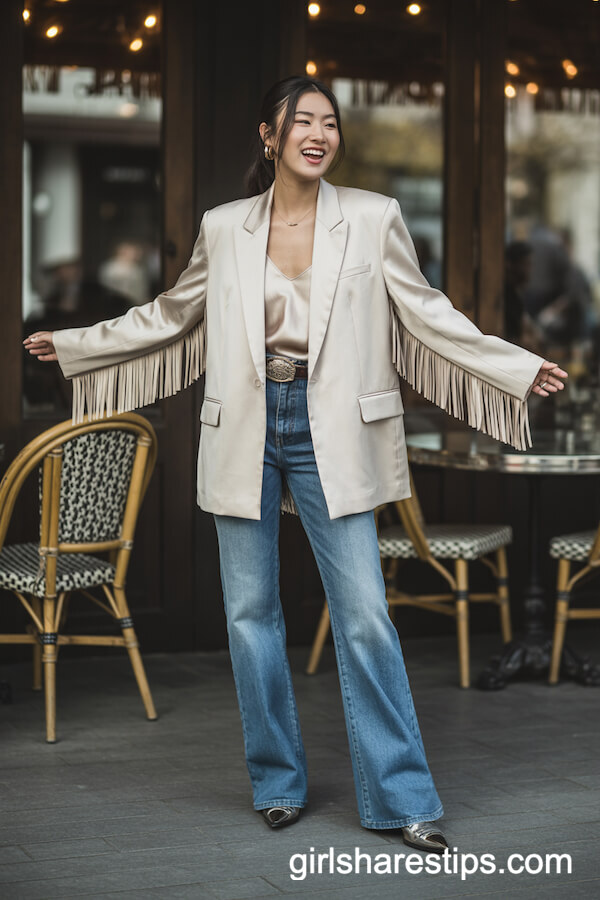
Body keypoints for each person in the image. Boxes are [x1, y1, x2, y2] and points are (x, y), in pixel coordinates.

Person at [24, 75, 566, 852]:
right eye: (303, 121)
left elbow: (427, 311)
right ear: (269, 136)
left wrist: (512, 367)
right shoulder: (225, 226)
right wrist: (76, 344)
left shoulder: (374, 218)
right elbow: (171, 315)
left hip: (334, 430)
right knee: (250, 619)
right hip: (246, 424)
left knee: (367, 618)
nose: (319, 133)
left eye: (331, 123)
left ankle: (404, 799)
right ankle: (276, 783)